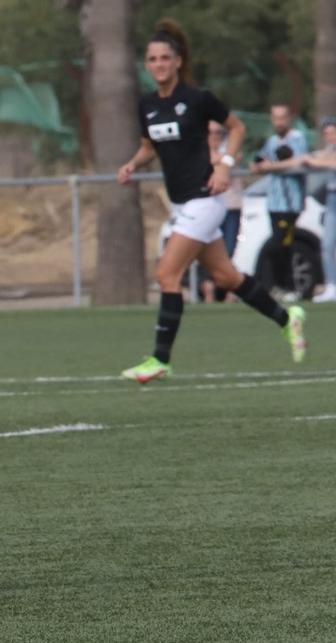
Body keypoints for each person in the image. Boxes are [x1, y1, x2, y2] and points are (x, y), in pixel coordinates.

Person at [118, 20, 305, 384]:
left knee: (166, 274)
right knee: (225, 276)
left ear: (177, 62)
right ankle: (288, 319)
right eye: (152, 59)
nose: (157, 64)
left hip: (206, 199)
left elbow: (237, 128)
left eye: (164, 58)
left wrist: (225, 164)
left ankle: (160, 359)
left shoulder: (198, 99)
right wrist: (131, 163)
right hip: (183, 204)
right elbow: (148, 147)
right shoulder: (147, 107)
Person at [252, 103, 309, 296]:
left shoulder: (297, 138)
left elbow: (298, 160)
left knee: (282, 244)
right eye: (275, 118)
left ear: (289, 118)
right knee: (278, 246)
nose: (279, 122)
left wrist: (270, 166)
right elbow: (259, 162)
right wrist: (259, 164)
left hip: (290, 204)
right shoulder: (271, 141)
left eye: (282, 117)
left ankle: (289, 286)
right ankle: (278, 286)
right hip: (274, 203)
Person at [201, 120, 243, 303]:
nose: (215, 136)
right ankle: (209, 289)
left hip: (231, 206)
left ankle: (232, 290)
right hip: (208, 208)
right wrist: (224, 159)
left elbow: (234, 158)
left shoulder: (229, 149)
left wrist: (223, 159)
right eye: (211, 132)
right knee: (206, 249)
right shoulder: (199, 149)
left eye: (219, 132)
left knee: (229, 248)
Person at [302, 118, 336, 302]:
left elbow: (330, 163)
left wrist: (315, 162)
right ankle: (332, 285)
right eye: (327, 133)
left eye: (333, 132)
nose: (330, 137)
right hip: (332, 199)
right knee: (327, 245)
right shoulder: (326, 152)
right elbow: (310, 158)